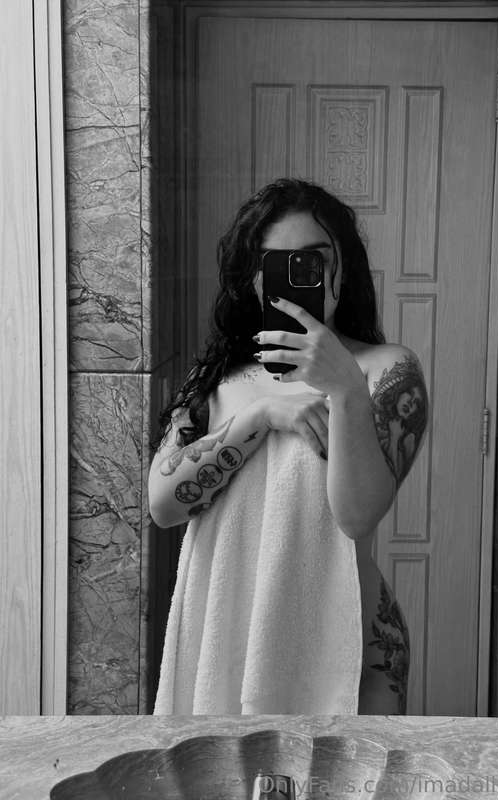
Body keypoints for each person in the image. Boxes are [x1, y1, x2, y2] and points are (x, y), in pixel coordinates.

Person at [149, 178, 428, 714]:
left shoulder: (384, 369)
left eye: (315, 259)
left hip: (350, 649)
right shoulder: (218, 379)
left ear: (342, 269)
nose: (300, 275)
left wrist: (344, 388)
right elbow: (163, 505)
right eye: (278, 263)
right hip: (230, 641)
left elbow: (357, 516)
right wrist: (261, 417)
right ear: (254, 279)